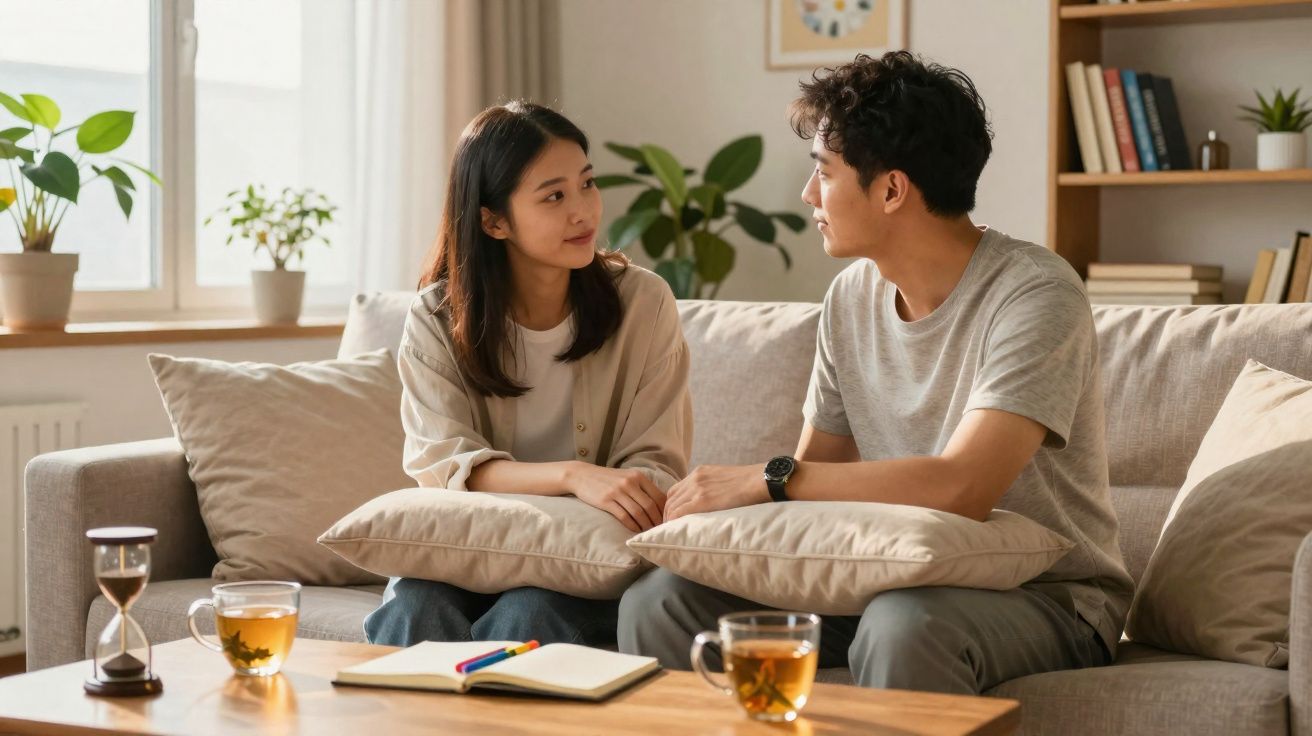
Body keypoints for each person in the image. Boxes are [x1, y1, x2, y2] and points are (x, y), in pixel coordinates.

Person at [618, 52, 1134, 695]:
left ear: (891, 189)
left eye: (824, 173)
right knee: (660, 601)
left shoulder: (1035, 294)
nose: (809, 196)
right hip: (888, 578)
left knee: (904, 624)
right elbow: (818, 479)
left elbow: (964, 488)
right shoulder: (850, 297)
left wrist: (764, 477)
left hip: (1049, 598)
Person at [365, 101, 692, 649]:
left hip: (584, 559)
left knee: (530, 612)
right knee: (414, 606)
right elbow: (445, 463)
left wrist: (594, 492)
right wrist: (572, 476)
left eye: (587, 184)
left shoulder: (644, 302)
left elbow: (656, 465)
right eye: (554, 196)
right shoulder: (436, 317)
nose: (583, 211)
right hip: (467, 549)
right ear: (493, 220)